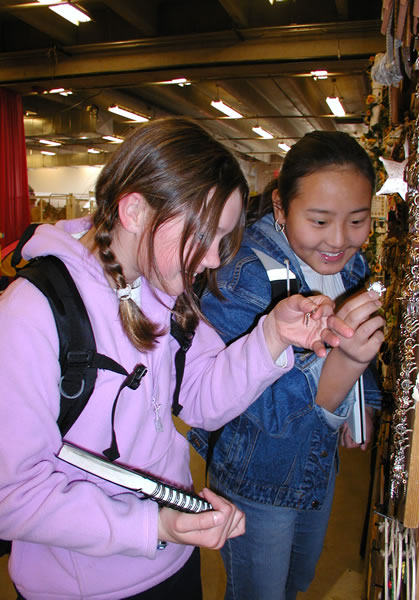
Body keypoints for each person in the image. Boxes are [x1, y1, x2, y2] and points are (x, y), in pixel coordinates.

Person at [0, 118, 352, 600]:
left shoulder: (163, 289)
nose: (213, 259)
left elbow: (203, 400)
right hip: (81, 586)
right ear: (134, 211)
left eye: (223, 239)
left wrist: (272, 335)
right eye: (203, 236)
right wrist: (150, 525)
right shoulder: (31, 312)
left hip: (173, 562)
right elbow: (10, 495)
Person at [188, 130, 385, 600]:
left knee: (296, 582)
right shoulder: (242, 277)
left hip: (317, 462)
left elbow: (362, 355)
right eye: (319, 220)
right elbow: (262, 410)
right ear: (280, 207)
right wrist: (346, 362)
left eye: (358, 220)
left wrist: (364, 403)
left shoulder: (351, 266)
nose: (339, 240)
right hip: (256, 478)